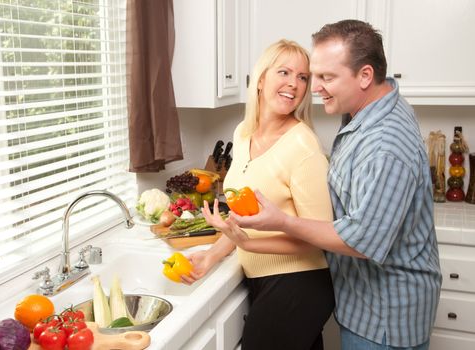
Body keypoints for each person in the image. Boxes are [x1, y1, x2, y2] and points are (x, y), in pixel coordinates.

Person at [210, 20, 442, 350]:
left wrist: (280, 223)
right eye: (312, 75)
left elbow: (362, 241)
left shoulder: (387, 145)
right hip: (360, 302)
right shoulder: (362, 113)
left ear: (364, 76)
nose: (311, 87)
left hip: (386, 317)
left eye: (324, 77)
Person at [182, 39, 335, 350]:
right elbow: (243, 219)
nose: (294, 83)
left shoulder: (303, 147)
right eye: (284, 72)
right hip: (264, 281)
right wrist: (212, 255)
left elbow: (320, 234)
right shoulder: (243, 134)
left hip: (298, 284)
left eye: (303, 77)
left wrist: (247, 243)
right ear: (261, 79)